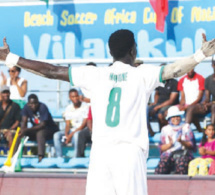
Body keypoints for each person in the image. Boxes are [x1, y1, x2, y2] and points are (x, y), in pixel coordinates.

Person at [0, 30, 215, 195]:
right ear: (133, 51)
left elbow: (51, 71)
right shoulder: (141, 74)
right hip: (128, 152)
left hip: (100, 154)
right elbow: (174, 70)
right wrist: (200, 54)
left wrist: (11, 58)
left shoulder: (95, 75)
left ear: (110, 53)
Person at [155, 106, 196, 174]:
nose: (176, 118)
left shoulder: (186, 127)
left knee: (181, 163)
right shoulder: (165, 129)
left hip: (183, 153)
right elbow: (162, 147)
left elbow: (191, 145)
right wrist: (170, 144)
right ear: (170, 119)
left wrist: (181, 141)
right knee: (162, 164)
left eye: (177, 116)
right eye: (173, 117)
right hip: (169, 154)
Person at [19, 94, 59, 161]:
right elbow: (24, 121)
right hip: (36, 130)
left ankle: (41, 156)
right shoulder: (26, 108)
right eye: (31, 104)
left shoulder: (42, 107)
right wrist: (23, 130)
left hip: (50, 130)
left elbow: (42, 125)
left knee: (40, 133)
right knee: (19, 133)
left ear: (38, 102)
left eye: (35, 103)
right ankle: (16, 156)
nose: (34, 105)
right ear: (28, 104)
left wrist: (27, 129)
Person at [53, 89, 88, 157]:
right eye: (73, 97)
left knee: (76, 135)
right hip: (71, 132)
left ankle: (76, 157)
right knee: (56, 135)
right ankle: (59, 158)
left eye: (76, 96)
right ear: (70, 97)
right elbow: (68, 124)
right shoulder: (68, 108)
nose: (75, 98)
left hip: (80, 131)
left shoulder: (85, 107)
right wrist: (66, 134)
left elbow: (83, 125)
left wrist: (71, 135)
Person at [147, 63, 179, 136]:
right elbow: (157, 93)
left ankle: (164, 133)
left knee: (160, 115)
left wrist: (157, 107)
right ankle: (151, 132)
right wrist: (155, 103)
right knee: (144, 112)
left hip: (170, 105)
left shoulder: (174, 83)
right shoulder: (158, 82)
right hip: (159, 104)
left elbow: (171, 100)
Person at [185, 58, 215, 131]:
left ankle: (212, 130)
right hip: (211, 104)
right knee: (192, 108)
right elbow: (207, 97)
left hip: (213, 105)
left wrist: (211, 103)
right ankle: (185, 131)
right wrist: (205, 103)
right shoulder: (208, 79)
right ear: (212, 66)